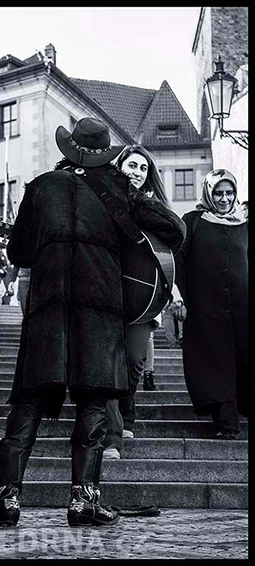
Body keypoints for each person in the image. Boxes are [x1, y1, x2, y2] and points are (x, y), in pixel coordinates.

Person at [0, 118, 185, 528]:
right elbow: (175, 229)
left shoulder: (40, 187)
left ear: (69, 150)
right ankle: (83, 502)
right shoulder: (121, 188)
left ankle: (6, 500)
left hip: (48, 312)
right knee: (92, 405)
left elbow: (17, 253)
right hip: (100, 313)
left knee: (28, 405)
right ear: (106, 152)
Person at [103, 145, 186, 456]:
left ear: (148, 176)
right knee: (108, 364)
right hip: (107, 293)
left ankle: (127, 414)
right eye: (131, 166)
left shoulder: (150, 207)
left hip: (143, 299)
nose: (136, 172)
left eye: (142, 168)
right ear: (118, 166)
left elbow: (177, 232)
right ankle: (113, 435)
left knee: (135, 360)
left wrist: (135, 201)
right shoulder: (104, 201)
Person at [175, 169, 248, 439]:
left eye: (229, 193)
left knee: (240, 358)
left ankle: (237, 412)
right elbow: (180, 261)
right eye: (218, 193)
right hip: (206, 309)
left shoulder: (244, 223)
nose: (224, 198)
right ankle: (226, 422)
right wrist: (179, 296)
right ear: (208, 193)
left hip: (242, 308)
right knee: (214, 363)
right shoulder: (193, 221)